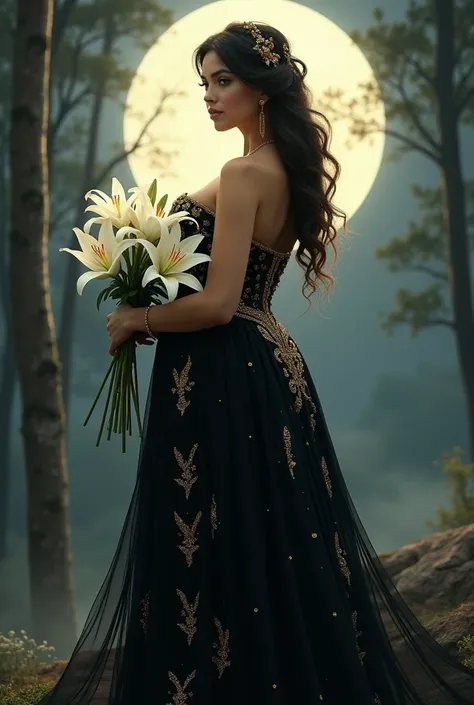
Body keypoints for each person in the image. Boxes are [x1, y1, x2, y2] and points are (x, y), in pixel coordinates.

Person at [40, 21, 474, 705]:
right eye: (204, 83)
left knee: (210, 533)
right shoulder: (284, 170)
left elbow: (217, 304)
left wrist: (136, 316)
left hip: (219, 370)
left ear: (262, 89)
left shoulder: (243, 173)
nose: (209, 96)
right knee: (261, 532)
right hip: (266, 362)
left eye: (224, 81)